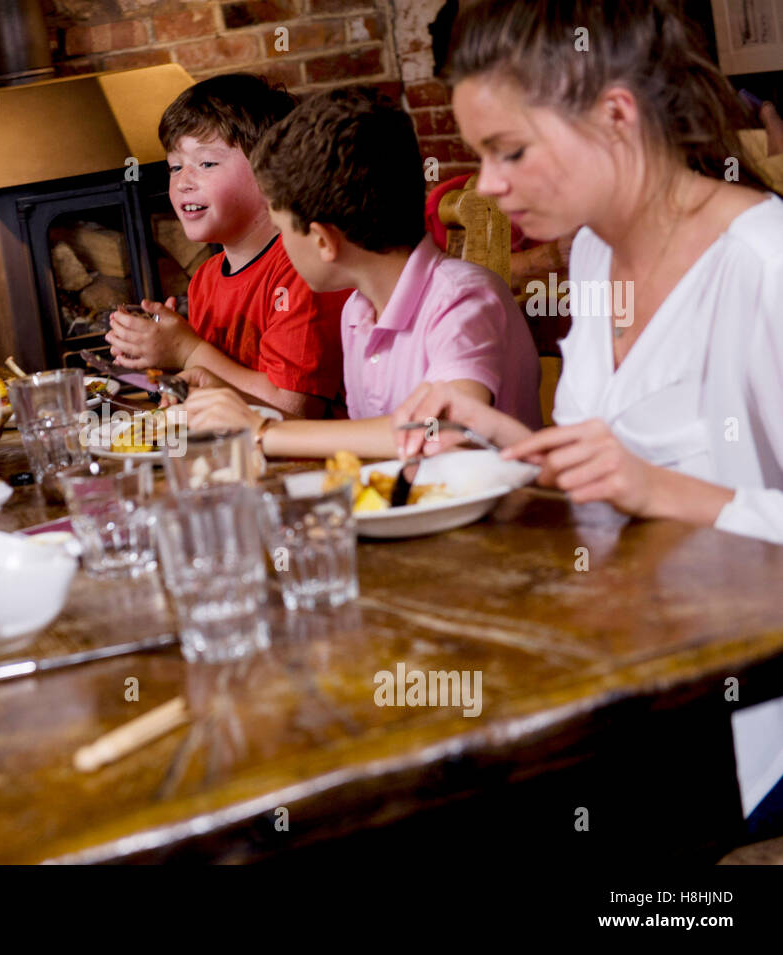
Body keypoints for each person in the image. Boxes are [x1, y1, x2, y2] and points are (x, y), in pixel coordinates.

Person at [391, 0, 783, 834]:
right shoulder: (597, 249)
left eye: (511, 152)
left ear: (614, 114)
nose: (486, 187)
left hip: (745, 723)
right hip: (617, 670)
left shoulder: (763, 262)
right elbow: (610, 455)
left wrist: (666, 491)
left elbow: (649, 482)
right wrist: (502, 439)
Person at [181, 87, 541, 458]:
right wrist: (233, 400)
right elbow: (368, 442)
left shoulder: (463, 297)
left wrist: (265, 433)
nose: (281, 245)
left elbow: (446, 431)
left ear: (322, 241)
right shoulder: (357, 311)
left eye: (281, 229)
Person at [104, 73, 349, 419]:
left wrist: (186, 349)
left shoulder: (303, 268)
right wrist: (163, 362)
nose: (183, 182)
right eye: (175, 166)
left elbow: (293, 408)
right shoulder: (204, 279)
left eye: (206, 163)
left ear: (271, 171)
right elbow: (213, 385)